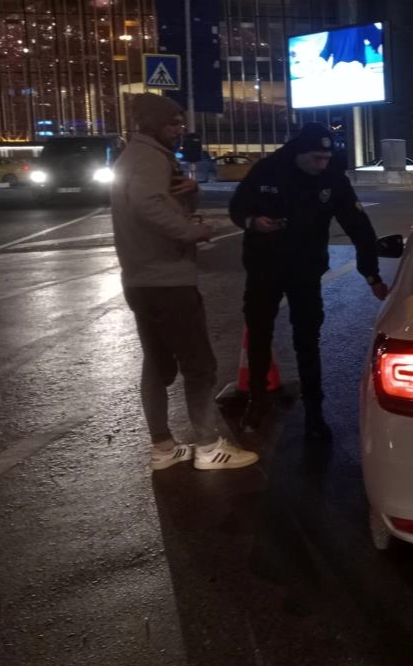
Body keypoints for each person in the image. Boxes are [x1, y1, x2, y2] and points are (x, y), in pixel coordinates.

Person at [112, 93, 258, 472]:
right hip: (167, 281)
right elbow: (147, 205)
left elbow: (163, 201)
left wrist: (192, 193)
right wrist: (193, 232)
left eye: (180, 123)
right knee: (200, 366)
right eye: (172, 123)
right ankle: (208, 447)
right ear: (152, 124)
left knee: (156, 366)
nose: (180, 130)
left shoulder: (139, 156)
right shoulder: (148, 158)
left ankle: (163, 447)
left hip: (142, 280)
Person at [228, 122, 388, 441]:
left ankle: (315, 410)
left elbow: (359, 226)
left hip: (306, 271)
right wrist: (253, 222)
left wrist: (371, 274)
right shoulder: (268, 170)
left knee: (307, 339)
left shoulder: (332, 178)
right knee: (259, 333)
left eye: (326, 158)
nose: (322, 164)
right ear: (299, 153)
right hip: (264, 268)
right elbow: (237, 208)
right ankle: (257, 400)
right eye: (316, 158)